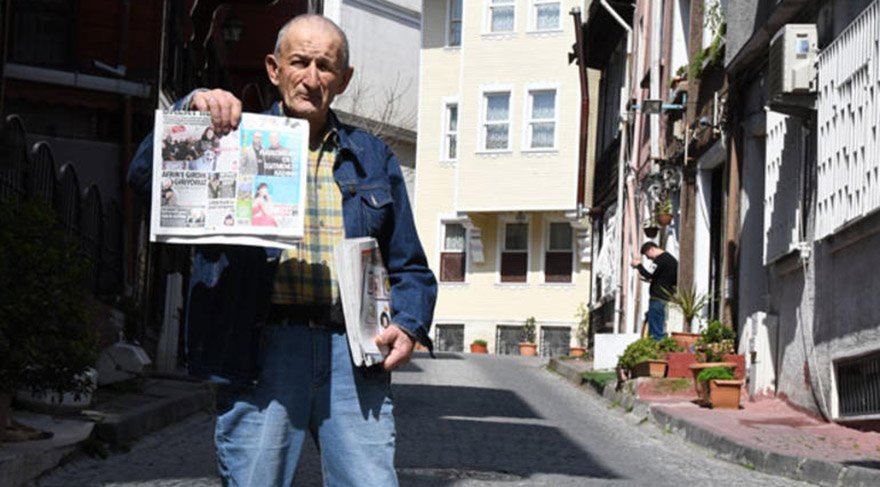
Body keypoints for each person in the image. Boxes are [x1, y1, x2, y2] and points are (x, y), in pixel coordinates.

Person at [127, 14, 437, 486]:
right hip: (259, 349)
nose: (312, 79)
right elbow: (142, 181)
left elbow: (410, 266)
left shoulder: (373, 157)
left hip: (353, 355)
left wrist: (410, 324)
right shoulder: (227, 139)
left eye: (326, 66)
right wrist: (190, 111)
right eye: (299, 62)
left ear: (344, 79)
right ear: (274, 69)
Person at [631, 241, 678, 341]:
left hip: (657, 298)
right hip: (666, 297)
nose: (649, 259)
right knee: (661, 326)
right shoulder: (672, 260)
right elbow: (666, 278)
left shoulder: (660, 260)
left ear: (652, 249)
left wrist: (638, 265)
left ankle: (656, 350)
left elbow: (648, 274)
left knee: (655, 331)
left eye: (648, 256)